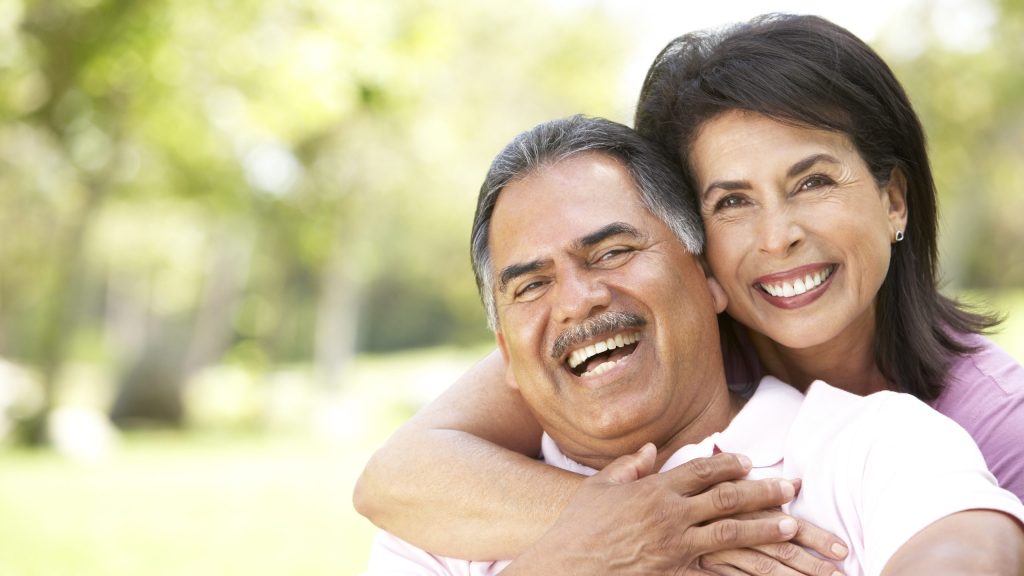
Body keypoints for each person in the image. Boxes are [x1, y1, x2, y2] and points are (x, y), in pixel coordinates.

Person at [354, 13, 1024, 575]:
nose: (778, 235)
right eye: (732, 200)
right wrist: (621, 537)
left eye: (813, 182)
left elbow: (966, 543)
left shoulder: (910, 436)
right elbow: (394, 475)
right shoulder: (450, 523)